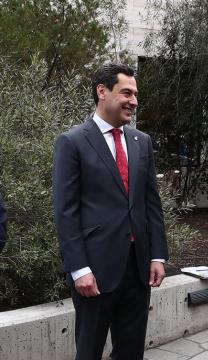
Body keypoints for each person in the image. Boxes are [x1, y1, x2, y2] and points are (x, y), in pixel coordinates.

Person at [53, 63, 169, 359]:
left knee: (131, 352)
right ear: (102, 92)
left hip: (138, 268)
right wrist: (79, 269)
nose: (134, 100)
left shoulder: (141, 142)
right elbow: (66, 211)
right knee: (89, 351)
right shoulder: (73, 142)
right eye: (127, 92)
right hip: (94, 271)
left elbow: (150, 204)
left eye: (136, 94)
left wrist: (157, 255)